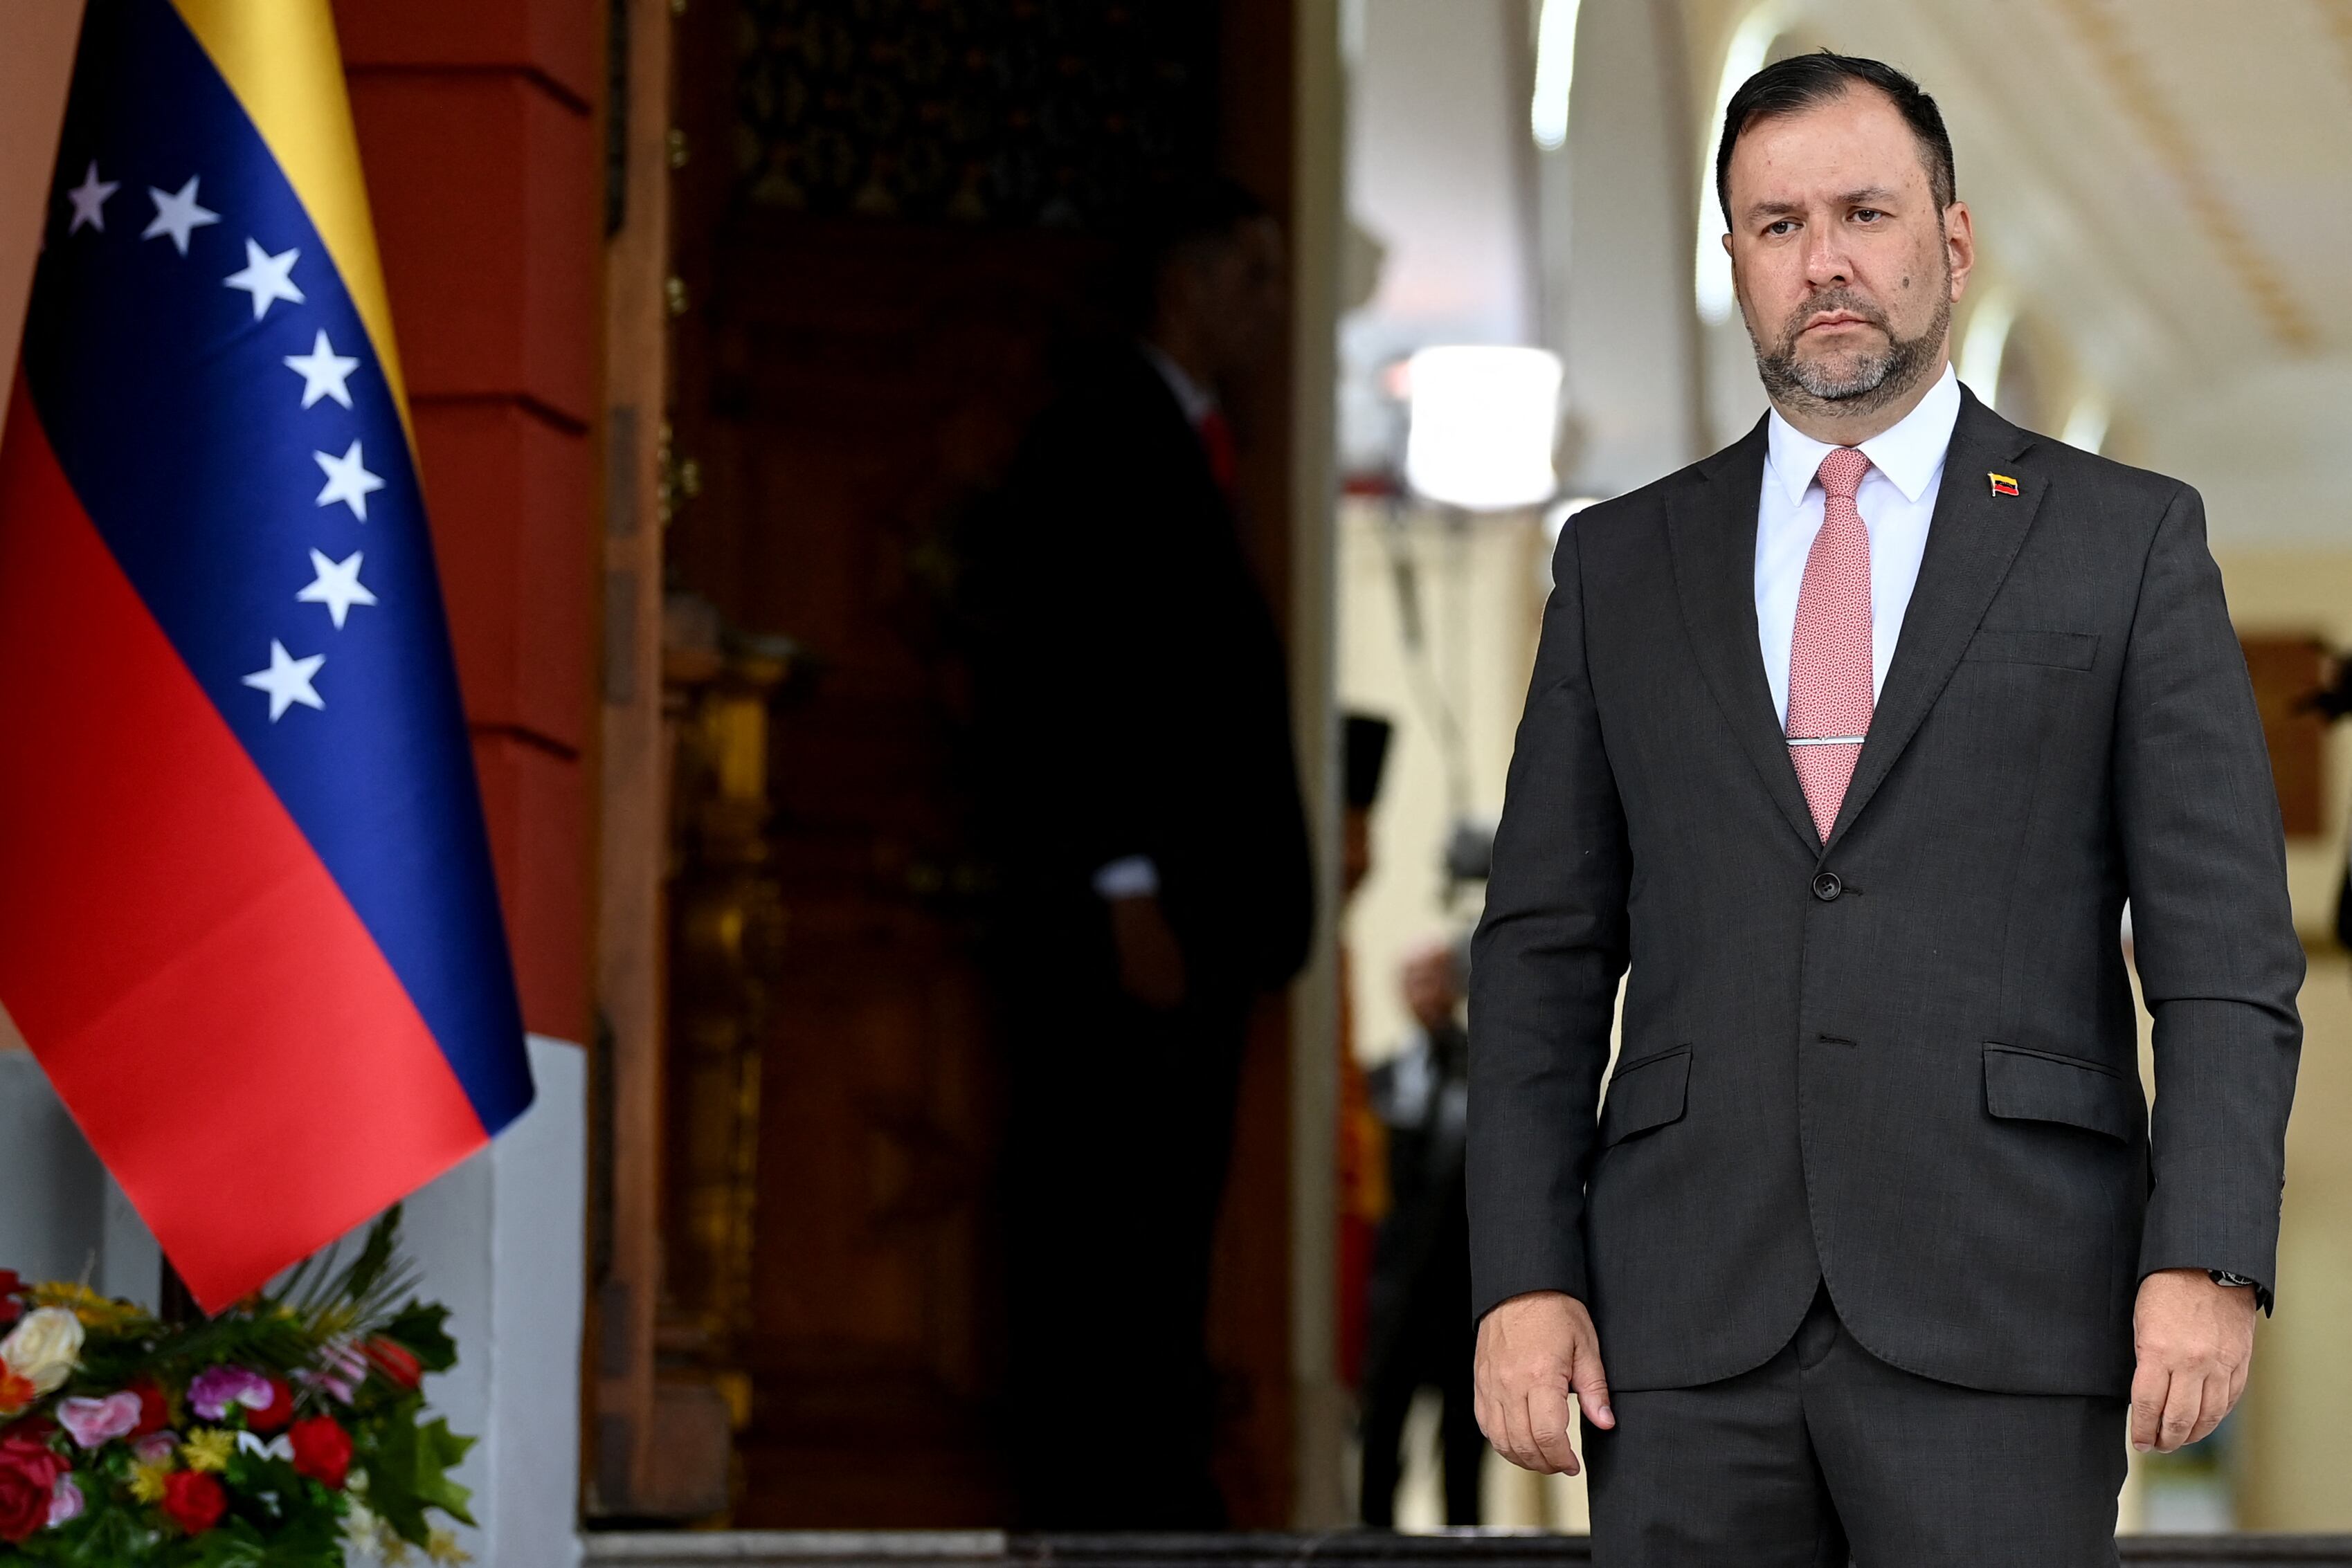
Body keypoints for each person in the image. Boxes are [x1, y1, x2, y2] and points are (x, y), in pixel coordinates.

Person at [1466, 51, 2301, 1564]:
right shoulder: (1618, 563)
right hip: (1678, 1325)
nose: (1825, 259)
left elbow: (2223, 951)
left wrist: (2208, 1256)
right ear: (1731, 263)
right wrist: (1522, 1273)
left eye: (1864, 211)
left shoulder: (2122, 543)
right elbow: (1538, 952)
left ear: (1951, 240)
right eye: (1777, 225)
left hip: (2005, 1308)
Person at [968, 175, 1314, 1529]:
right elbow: (1075, 670)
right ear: (1189, 279)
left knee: (1165, 1211)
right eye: (1257, 276)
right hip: (1134, 916)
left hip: (1200, 911)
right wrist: (1122, 880)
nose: (1273, 309)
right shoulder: (1101, 432)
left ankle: (1149, 1484)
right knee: (1106, 1206)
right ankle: (1103, 1490)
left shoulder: (1188, 437)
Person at [1359, 938, 1482, 1529]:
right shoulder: (1381, 1079)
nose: (1424, 993)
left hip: (1461, 1284)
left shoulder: (1481, 1068)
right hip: (1394, 1286)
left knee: (1463, 1436)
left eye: (1434, 978)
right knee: (1383, 1423)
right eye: (1411, 980)